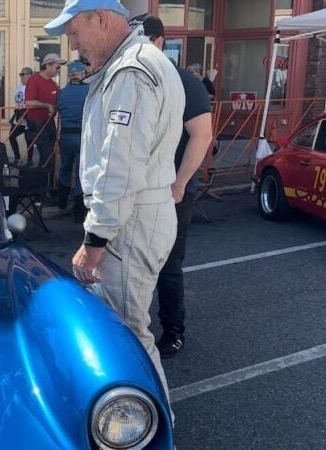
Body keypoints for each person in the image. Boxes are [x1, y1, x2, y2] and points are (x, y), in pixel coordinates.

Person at [45, 0, 185, 404]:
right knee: (126, 328)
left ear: (101, 19)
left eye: (73, 33)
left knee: (127, 335)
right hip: (141, 211)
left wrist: (95, 242)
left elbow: (118, 167)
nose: (72, 46)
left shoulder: (130, 73)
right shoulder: (142, 62)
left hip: (131, 217)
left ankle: (150, 431)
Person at [141, 16, 214, 358]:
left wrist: (180, 184)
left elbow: (202, 135)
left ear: (157, 40)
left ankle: (173, 332)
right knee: (134, 263)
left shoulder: (184, 81)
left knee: (168, 264)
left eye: (141, 38)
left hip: (172, 190)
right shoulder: (137, 78)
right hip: (140, 188)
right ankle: (134, 330)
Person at [56, 59, 90, 219]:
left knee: (65, 167)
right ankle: (78, 209)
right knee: (80, 172)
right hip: (82, 135)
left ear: (70, 75)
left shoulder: (62, 93)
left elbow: (57, 113)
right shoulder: (89, 91)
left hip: (65, 135)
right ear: (82, 74)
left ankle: (62, 201)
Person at [24, 53, 65, 170]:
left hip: (49, 122)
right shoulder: (34, 80)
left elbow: (55, 102)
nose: (58, 70)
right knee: (46, 156)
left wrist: (54, 108)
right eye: (57, 67)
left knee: (53, 154)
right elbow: (29, 102)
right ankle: (42, 183)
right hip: (37, 124)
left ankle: (49, 182)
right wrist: (47, 105)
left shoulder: (53, 84)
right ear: (48, 65)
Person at [9, 67, 33, 164]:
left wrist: (24, 116)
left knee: (29, 139)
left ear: (30, 75)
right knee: (12, 136)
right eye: (21, 74)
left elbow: (30, 103)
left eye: (23, 74)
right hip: (19, 113)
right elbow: (17, 102)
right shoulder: (18, 87)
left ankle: (30, 160)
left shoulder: (31, 87)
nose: (21, 77)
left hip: (28, 115)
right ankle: (17, 157)